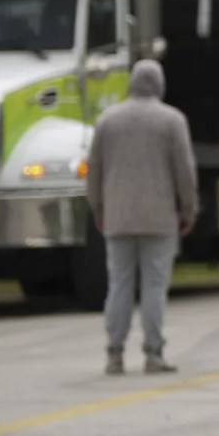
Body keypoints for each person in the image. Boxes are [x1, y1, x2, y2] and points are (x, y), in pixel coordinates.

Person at [85, 60, 198, 376]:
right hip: (159, 218)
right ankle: (153, 352)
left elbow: (94, 170)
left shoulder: (107, 121)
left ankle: (114, 353)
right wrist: (188, 210)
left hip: (118, 217)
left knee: (119, 284)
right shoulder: (172, 120)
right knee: (154, 286)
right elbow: (184, 171)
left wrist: (98, 208)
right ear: (159, 84)